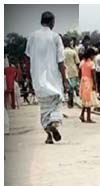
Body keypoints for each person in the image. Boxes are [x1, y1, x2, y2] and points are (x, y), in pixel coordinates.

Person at [24, 11, 68, 144]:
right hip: (53, 78)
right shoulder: (55, 37)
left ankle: (49, 135)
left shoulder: (32, 36)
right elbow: (61, 61)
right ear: (52, 22)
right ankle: (53, 123)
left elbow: (27, 57)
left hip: (38, 78)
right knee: (55, 104)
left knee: (43, 107)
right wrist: (65, 79)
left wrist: (29, 76)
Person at [78, 47, 97, 123]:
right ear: (91, 55)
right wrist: (95, 84)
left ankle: (82, 114)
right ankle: (88, 118)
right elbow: (94, 75)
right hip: (89, 81)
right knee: (89, 100)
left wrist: (81, 79)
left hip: (83, 81)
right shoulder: (92, 64)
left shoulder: (82, 62)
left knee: (85, 99)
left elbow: (79, 73)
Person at [63, 37, 80, 108]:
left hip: (65, 72)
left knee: (68, 88)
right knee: (73, 87)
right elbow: (77, 62)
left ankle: (70, 101)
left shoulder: (61, 52)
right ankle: (71, 101)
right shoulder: (73, 52)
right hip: (73, 71)